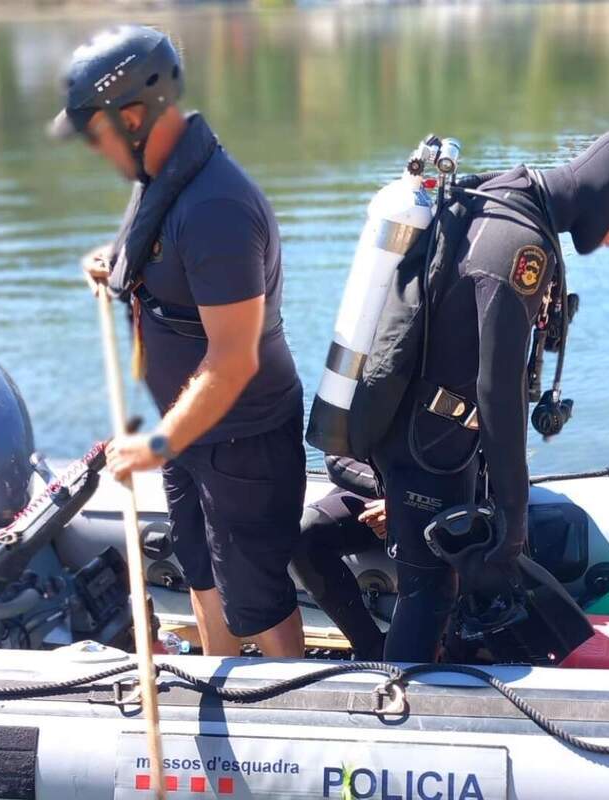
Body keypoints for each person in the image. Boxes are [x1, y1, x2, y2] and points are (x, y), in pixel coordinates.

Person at [51, 25, 306, 658]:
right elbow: (155, 260)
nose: (92, 148)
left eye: (96, 133)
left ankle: (293, 718)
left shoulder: (217, 210)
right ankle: (220, 695)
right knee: (202, 573)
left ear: (133, 116)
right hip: (193, 435)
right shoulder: (162, 180)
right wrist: (111, 263)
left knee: (259, 599)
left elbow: (232, 358)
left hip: (239, 439)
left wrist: (156, 443)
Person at [375, 127, 609, 663]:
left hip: (416, 430)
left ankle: (395, 679)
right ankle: (391, 721)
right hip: (429, 449)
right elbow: (498, 391)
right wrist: (512, 519)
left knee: (432, 594)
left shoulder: (505, 195)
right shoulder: (522, 246)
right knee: (427, 596)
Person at [290, 456, 388, 660]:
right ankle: (371, 648)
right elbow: (337, 460)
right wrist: (394, 494)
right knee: (305, 535)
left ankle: (457, 644)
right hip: (375, 489)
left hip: (444, 494)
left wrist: (408, 505)